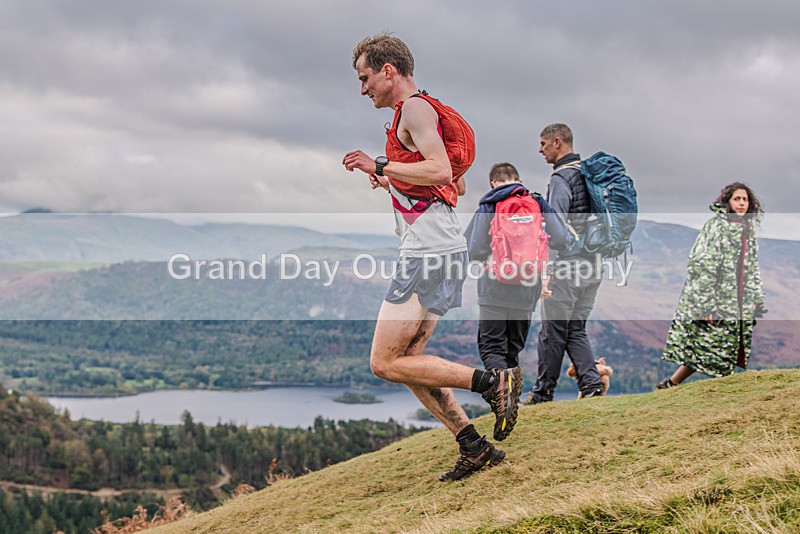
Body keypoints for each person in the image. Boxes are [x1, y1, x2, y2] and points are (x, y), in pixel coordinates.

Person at [342, 33, 521, 481]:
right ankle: (472, 445)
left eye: (365, 78)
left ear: (388, 71)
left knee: (384, 362)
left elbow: (442, 170)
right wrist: (393, 182)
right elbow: (452, 188)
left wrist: (379, 165)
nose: (362, 89)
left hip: (428, 251)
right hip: (438, 247)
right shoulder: (419, 113)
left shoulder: (415, 109)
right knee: (410, 360)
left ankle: (491, 382)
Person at [464, 163, 574, 376]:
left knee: (492, 349)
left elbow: (474, 249)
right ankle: (512, 402)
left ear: (493, 184)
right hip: (528, 286)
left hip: (494, 288)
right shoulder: (537, 203)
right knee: (512, 351)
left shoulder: (490, 204)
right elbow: (561, 239)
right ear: (520, 182)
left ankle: (504, 403)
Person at [657, 182, 766, 388]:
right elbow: (702, 264)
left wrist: (755, 298)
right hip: (716, 298)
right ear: (727, 202)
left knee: (719, 345)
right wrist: (705, 304)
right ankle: (714, 386)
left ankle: (671, 384)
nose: (742, 203)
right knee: (706, 344)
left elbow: (751, 267)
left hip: (736, 299)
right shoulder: (715, 227)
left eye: (745, 199)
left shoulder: (747, 230)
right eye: (737, 199)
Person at [529, 123, 606, 403]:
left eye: (543, 143)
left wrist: (546, 270)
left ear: (558, 142)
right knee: (574, 327)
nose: (540, 149)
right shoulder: (590, 176)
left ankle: (541, 394)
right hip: (595, 265)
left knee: (552, 330)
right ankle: (592, 385)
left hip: (568, 267)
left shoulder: (562, 179)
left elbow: (557, 231)